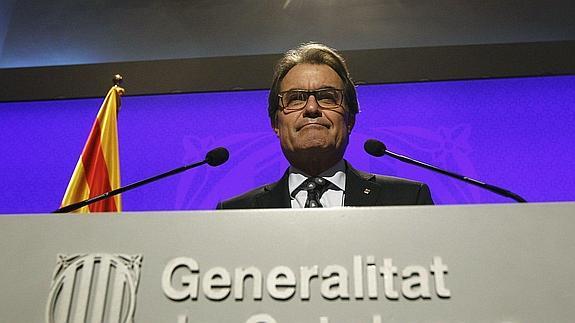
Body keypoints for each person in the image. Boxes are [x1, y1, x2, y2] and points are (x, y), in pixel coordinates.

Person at [217, 42, 433, 209]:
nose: (312, 108)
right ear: (276, 123)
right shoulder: (235, 213)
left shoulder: (408, 200)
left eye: (328, 97)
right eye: (296, 99)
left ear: (349, 120)